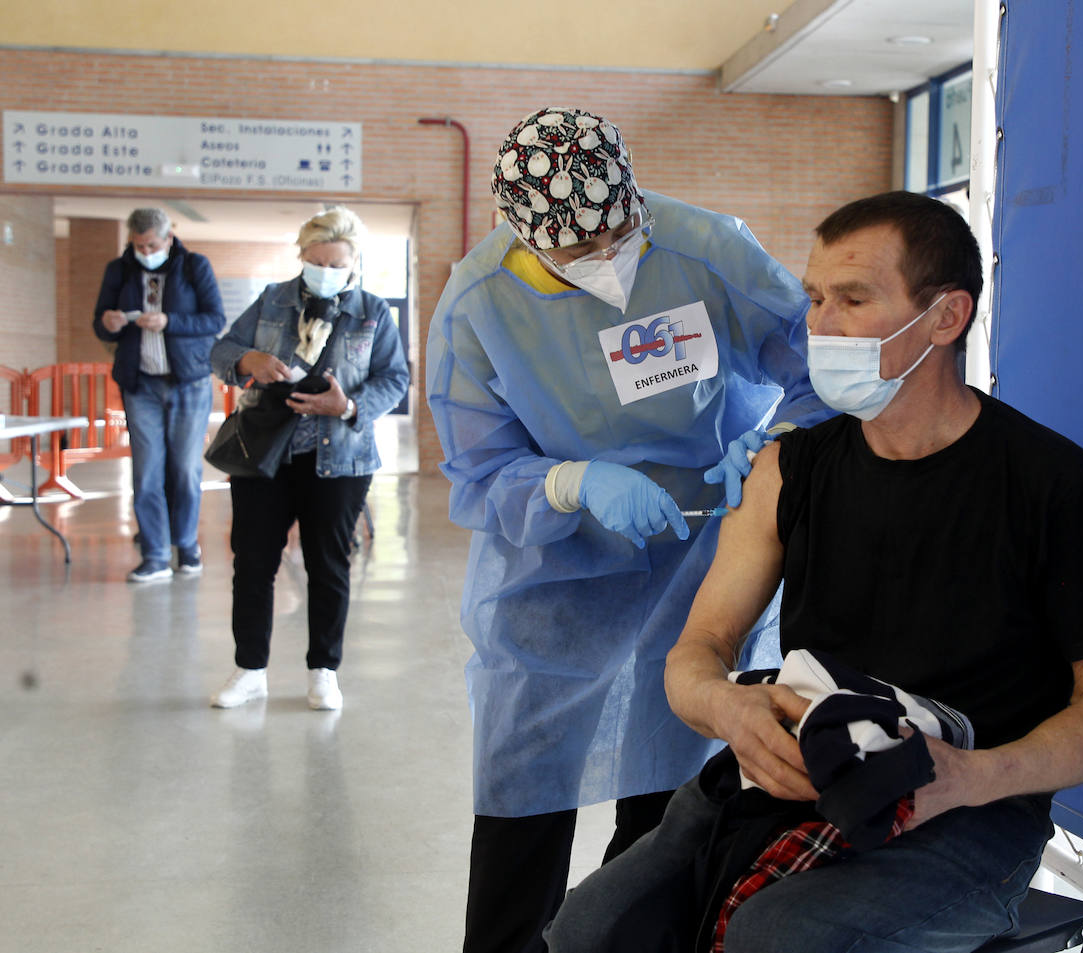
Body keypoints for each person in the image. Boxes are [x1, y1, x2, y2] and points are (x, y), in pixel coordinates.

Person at [545, 190, 1083, 953]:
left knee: (776, 939)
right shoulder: (789, 470)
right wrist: (730, 711)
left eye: (854, 298)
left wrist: (974, 774)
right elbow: (695, 651)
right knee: (586, 933)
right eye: (814, 298)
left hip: (968, 810)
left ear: (944, 318)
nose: (819, 327)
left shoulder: (1054, 486)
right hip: (792, 777)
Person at [426, 106, 832, 953]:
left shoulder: (704, 249)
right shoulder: (478, 302)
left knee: (669, 809)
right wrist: (573, 481)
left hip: (704, 556)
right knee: (522, 797)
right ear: (526, 234)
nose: (607, 258)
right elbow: (478, 467)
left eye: (619, 231)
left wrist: (773, 447)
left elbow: (816, 364)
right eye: (579, 251)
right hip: (553, 577)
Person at [207, 207, 408, 711]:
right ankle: (249, 670)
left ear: (353, 262)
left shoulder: (372, 312)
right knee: (253, 564)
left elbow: (395, 378)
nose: (323, 270)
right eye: (314, 261)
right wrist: (246, 360)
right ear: (301, 257)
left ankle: (324, 671)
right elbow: (222, 350)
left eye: (334, 262)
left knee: (328, 565)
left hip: (339, 458)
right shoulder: (272, 299)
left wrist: (349, 406)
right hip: (265, 455)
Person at [94, 207, 225, 582]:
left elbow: (215, 319)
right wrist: (110, 322)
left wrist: (170, 321)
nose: (145, 250)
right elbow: (100, 322)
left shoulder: (193, 266)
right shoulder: (119, 270)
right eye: (138, 244)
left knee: (184, 468)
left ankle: (186, 545)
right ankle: (153, 554)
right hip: (141, 383)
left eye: (152, 244)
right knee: (147, 470)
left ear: (169, 238)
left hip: (189, 381)